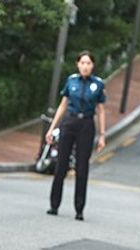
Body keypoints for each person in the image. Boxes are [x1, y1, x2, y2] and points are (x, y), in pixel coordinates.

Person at [46, 51, 107, 222]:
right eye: (82, 63)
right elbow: (63, 105)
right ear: (78, 64)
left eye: (88, 63)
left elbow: (101, 110)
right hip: (69, 123)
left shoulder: (98, 84)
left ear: (92, 66)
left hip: (86, 124)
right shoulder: (71, 81)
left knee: (82, 167)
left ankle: (79, 209)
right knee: (61, 164)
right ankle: (54, 205)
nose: (85, 66)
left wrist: (102, 135)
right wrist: (52, 128)